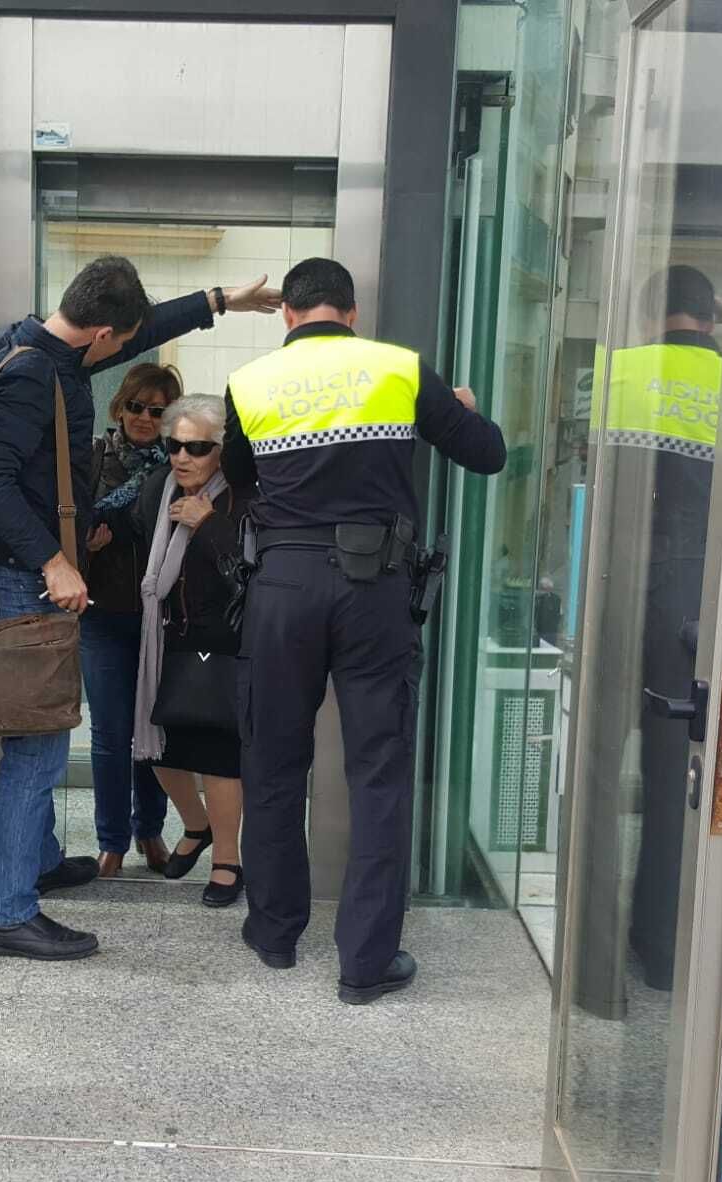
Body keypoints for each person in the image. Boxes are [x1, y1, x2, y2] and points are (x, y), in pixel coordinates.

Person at [0, 255, 280, 961]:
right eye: (122, 339)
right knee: (37, 750)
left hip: (31, 579)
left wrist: (222, 300)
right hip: (26, 582)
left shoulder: (46, 347)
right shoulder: (28, 375)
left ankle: (39, 863)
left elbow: (139, 334)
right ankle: (11, 913)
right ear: (98, 333)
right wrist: (53, 560)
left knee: (39, 739)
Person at [222, 257, 507, 1004]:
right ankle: (365, 963)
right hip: (372, 588)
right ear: (350, 312)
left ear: (289, 314)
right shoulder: (402, 369)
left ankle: (275, 934)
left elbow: (239, 475)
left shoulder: (249, 383)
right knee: (377, 771)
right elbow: (488, 455)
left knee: (275, 763)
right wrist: (461, 409)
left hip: (280, 588)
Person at [574, 264, 722, 1009]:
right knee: (675, 783)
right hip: (693, 596)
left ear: (644, 318)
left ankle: (592, 972)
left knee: (597, 771)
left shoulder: (614, 373)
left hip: (614, 581)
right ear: (710, 319)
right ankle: (660, 955)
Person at [118, 395, 253, 908]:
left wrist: (208, 522)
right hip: (166, 640)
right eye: (175, 445)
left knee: (219, 757)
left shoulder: (241, 498)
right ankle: (195, 825)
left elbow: (248, 568)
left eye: (197, 447)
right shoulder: (158, 489)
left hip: (223, 641)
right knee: (157, 751)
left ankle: (227, 858)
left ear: (220, 450)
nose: (182, 456)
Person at [81, 363, 184, 878]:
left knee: (153, 730)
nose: (145, 418)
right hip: (101, 615)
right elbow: (68, 525)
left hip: (159, 620)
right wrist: (87, 545)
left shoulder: (181, 466)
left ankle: (150, 831)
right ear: (119, 408)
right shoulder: (94, 459)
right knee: (110, 732)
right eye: (137, 407)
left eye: (158, 410)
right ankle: (111, 840)